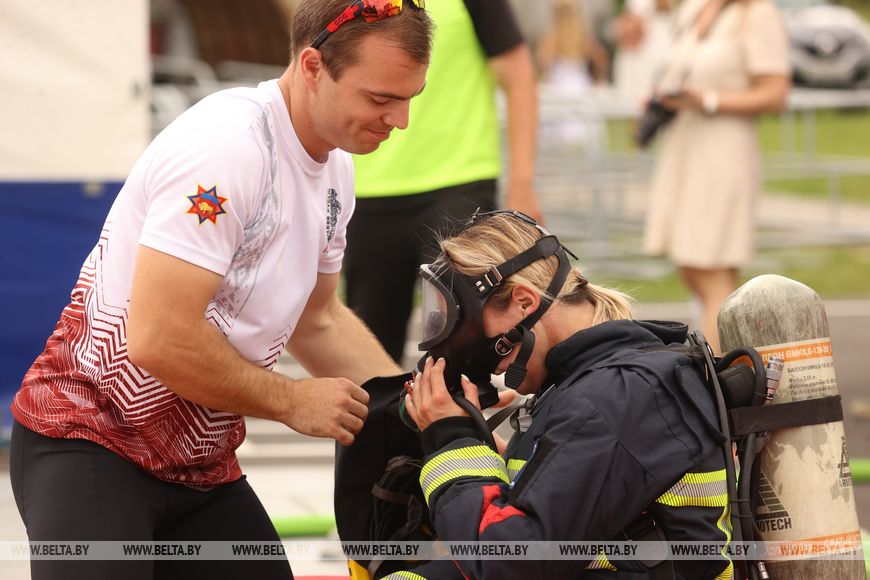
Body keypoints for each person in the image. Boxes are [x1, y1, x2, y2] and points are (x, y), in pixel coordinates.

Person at [9, 1, 432, 579]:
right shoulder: (228, 147)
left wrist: (421, 406)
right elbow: (158, 338)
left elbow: (320, 321)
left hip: (200, 466)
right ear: (312, 66)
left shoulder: (335, 168)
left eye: (410, 98)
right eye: (381, 99)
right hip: (90, 438)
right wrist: (291, 400)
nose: (400, 120)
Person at [389, 210, 733, 578]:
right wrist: (486, 454)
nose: (467, 347)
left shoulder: (610, 397)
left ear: (524, 301)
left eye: (466, 322)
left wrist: (452, 441)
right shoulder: (599, 381)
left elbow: (508, 564)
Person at [343, 0, 541, 365]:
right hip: (366, 192)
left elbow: (519, 77)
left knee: (462, 343)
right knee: (367, 354)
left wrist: (523, 182)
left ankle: (455, 422)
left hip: (459, 182)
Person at [642, 0, 791, 353]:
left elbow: (776, 92)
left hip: (723, 150)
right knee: (690, 264)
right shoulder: (693, 8)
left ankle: (714, 379)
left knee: (713, 269)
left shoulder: (758, 14)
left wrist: (708, 100)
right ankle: (734, 368)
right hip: (684, 144)